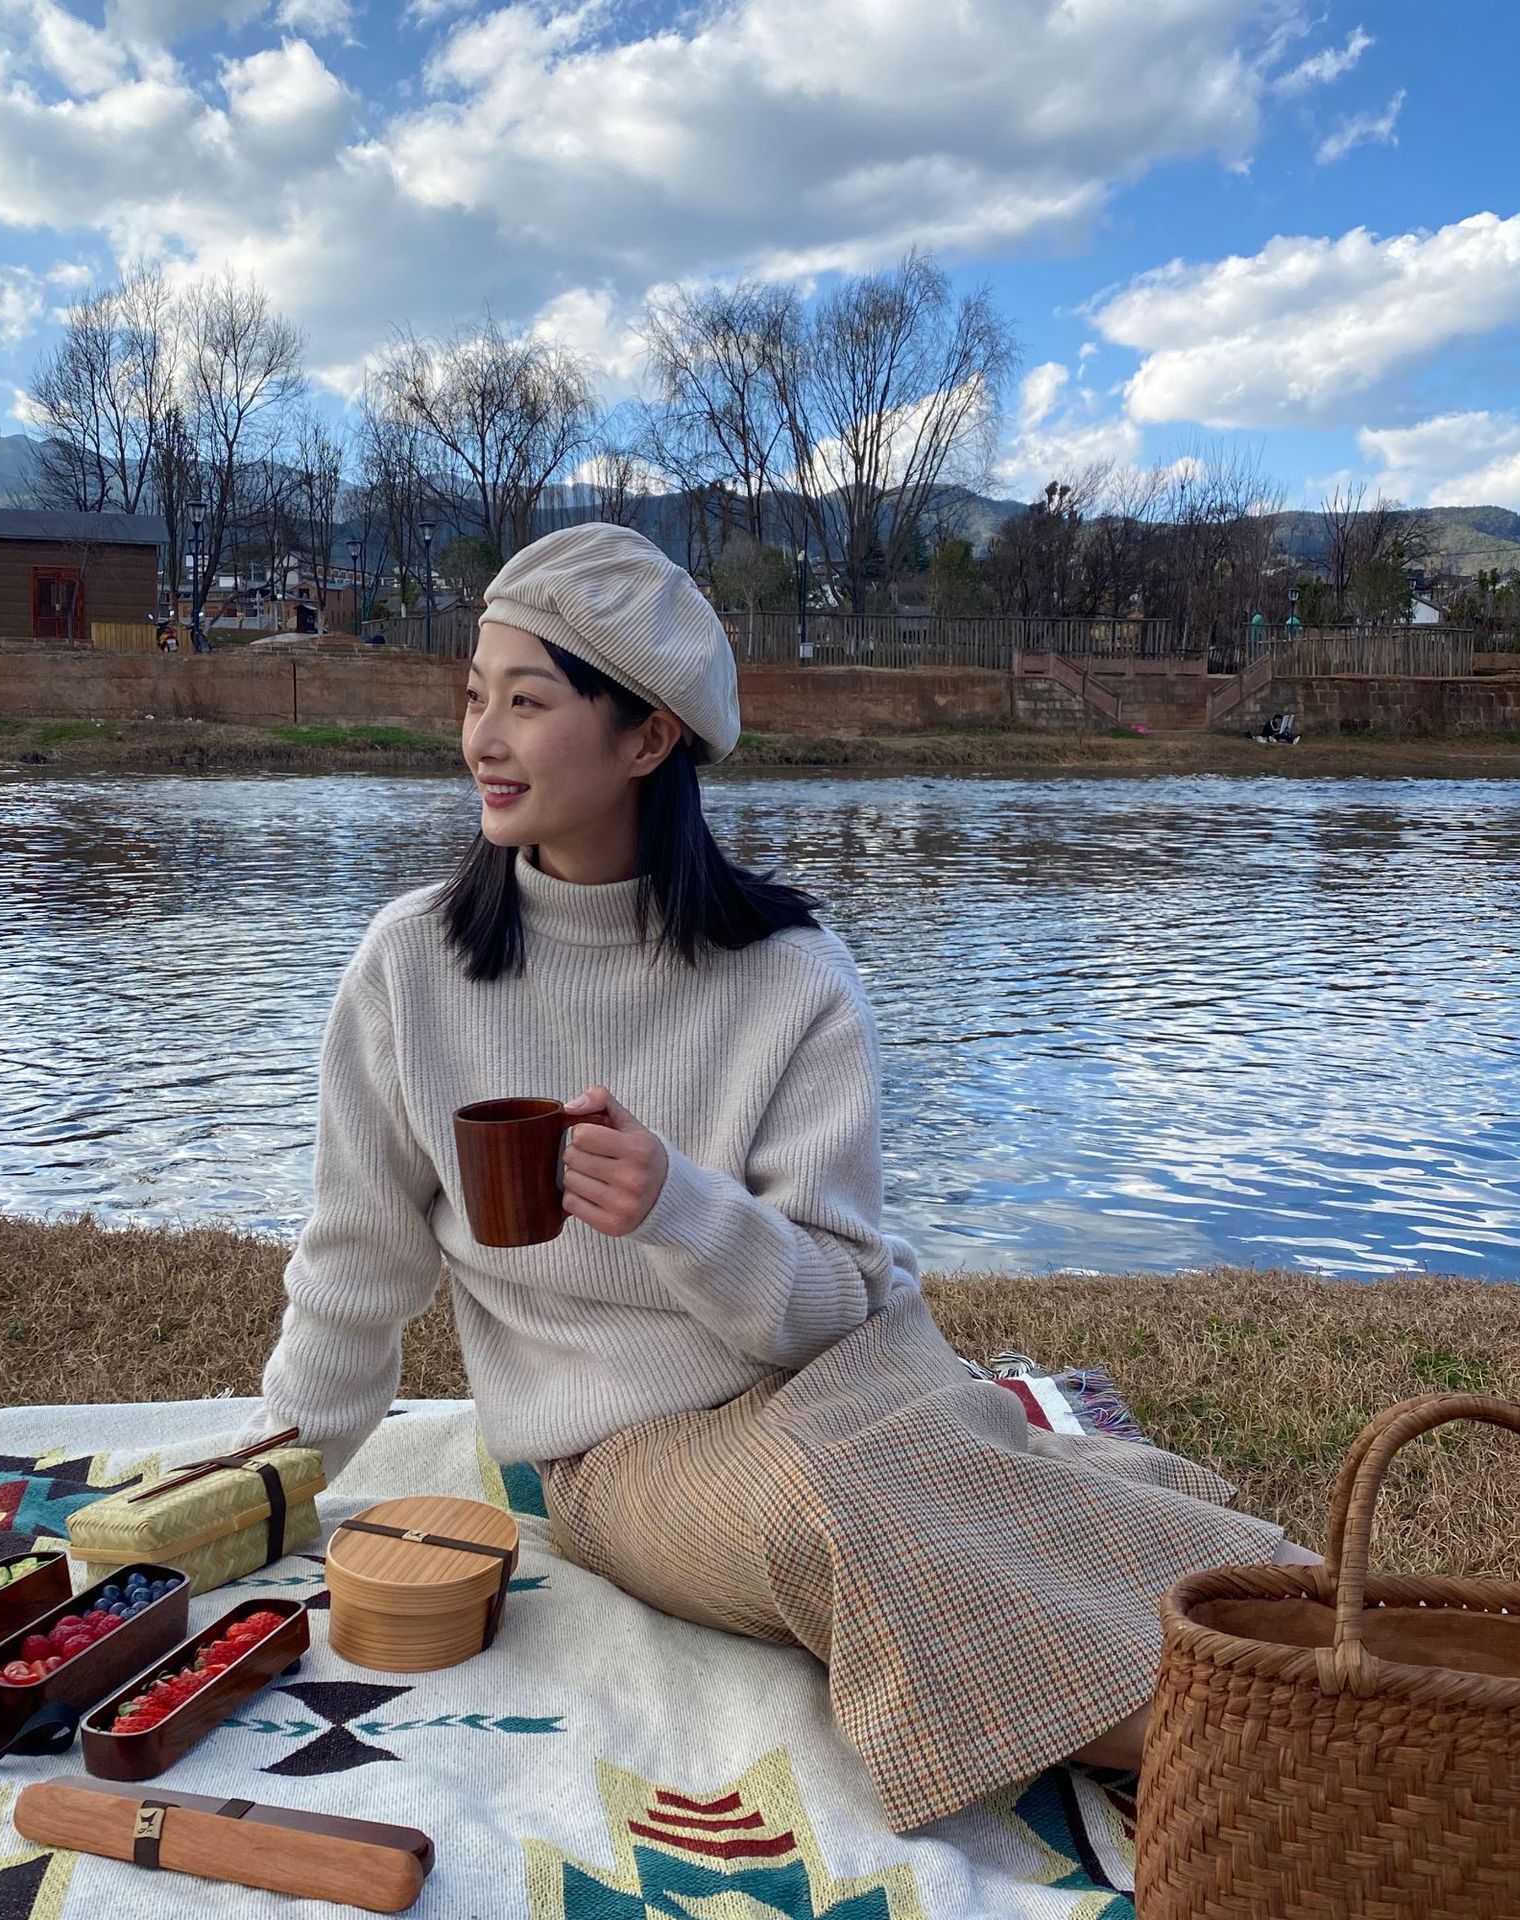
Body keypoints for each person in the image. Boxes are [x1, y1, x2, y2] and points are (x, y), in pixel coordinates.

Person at [243, 522, 1317, 1831]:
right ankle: (1243, 1742)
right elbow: (358, 1259)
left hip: (835, 1369)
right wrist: (267, 1481)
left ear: (649, 739)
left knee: (1017, 1485)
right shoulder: (412, 968)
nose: (481, 738)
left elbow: (834, 1303)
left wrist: (679, 1208)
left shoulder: (792, 977)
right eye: (475, 697)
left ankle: (1332, 1631)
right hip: (617, 1450)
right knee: (837, 1511)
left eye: (527, 703)